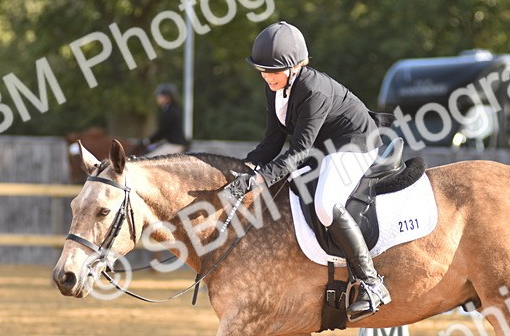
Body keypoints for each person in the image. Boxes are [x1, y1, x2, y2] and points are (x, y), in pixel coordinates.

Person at [224, 21, 390, 316]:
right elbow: (272, 143)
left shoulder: (313, 90)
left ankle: (371, 282)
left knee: (326, 205)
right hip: (323, 146)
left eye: (273, 70)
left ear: (294, 66)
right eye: (262, 70)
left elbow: (298, 152)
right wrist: (245, 169)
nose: (267, 76)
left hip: (356, 142)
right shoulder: (275, 88)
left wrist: (260, 178)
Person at [144, 83, 188, 157]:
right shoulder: (170, 109)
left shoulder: (171, 111)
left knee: (147, 159)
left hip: (174, 145)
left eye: (160, 96)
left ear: (167, 97)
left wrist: (149, 140)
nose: (157, 98)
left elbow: (163, 130)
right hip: (170, 144)